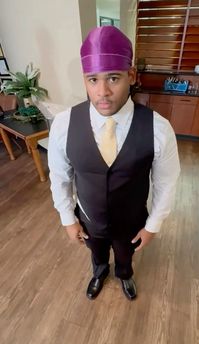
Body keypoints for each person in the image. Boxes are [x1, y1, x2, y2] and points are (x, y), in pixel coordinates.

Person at [48, 26, 180, 301]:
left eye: (113, 78)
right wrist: (67, 219)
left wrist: (153, 225)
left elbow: (167, 182)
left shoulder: (158, 129)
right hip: (89, 217)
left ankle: (124, 274)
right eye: (92, 80)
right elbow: (59, 176)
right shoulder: (63, 125)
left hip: (131, 220)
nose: (102, 92)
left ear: (131, 76)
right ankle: (98, 272)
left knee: (125, 253)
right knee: (96, 252)